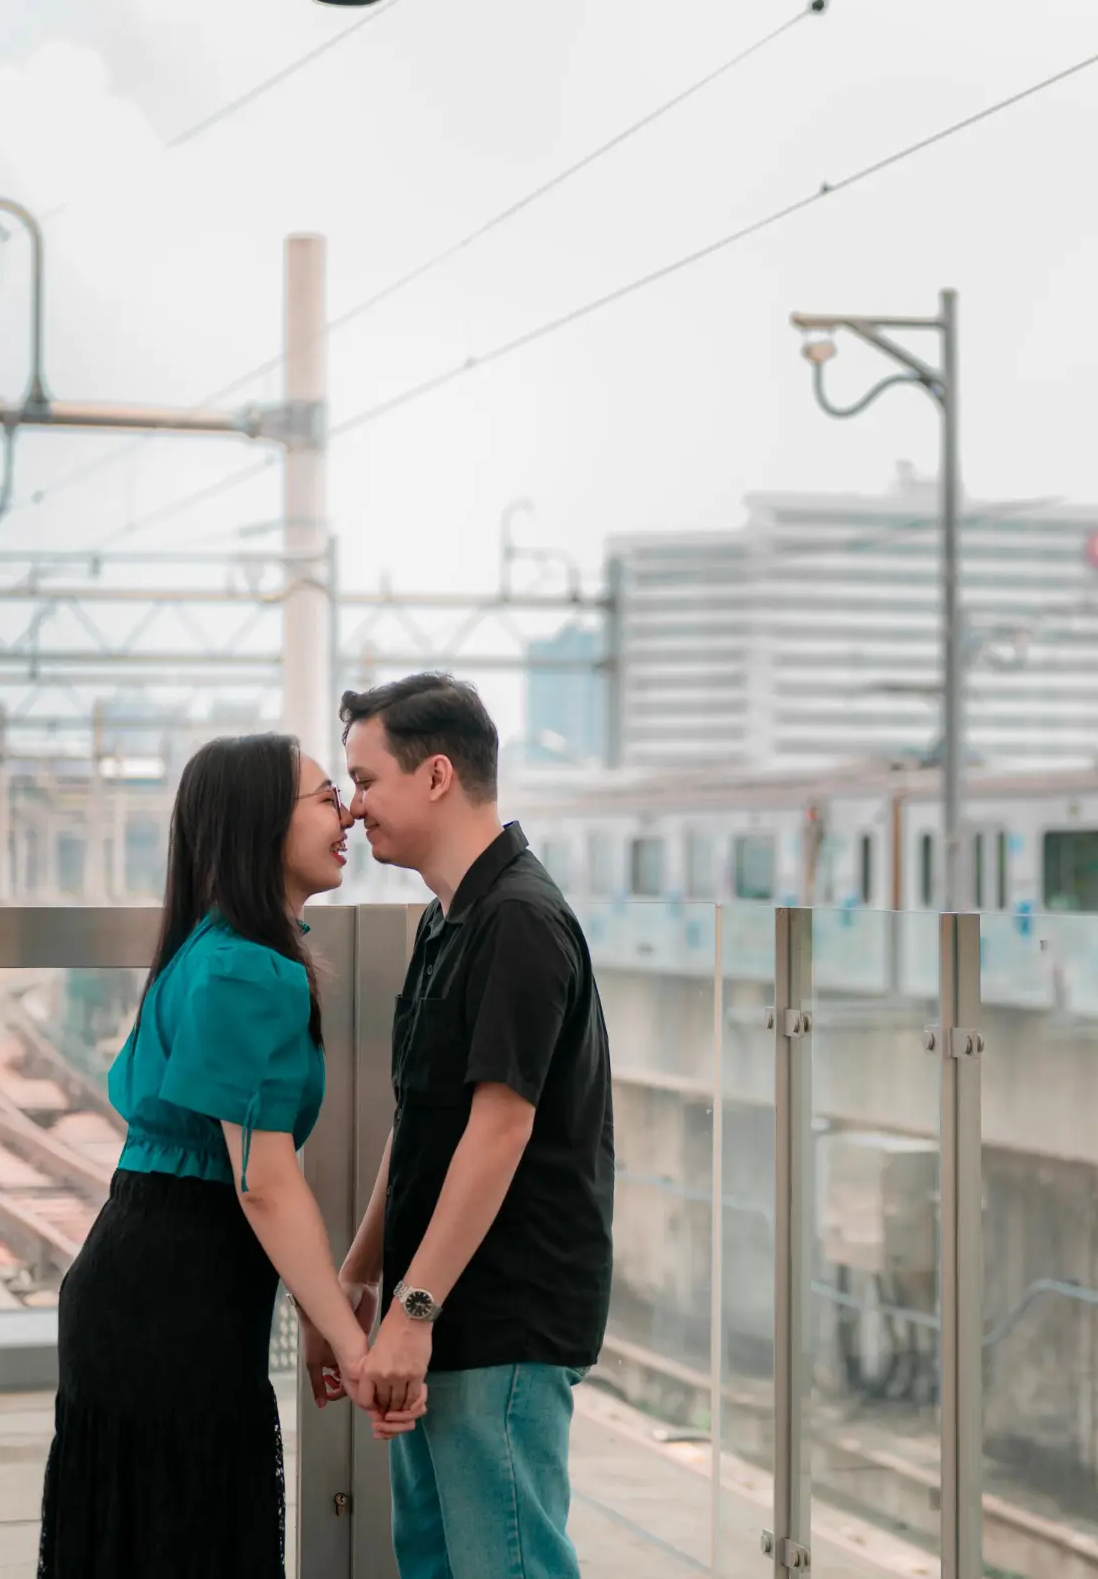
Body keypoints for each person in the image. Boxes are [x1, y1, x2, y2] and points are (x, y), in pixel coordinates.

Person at [38, 733, 423, 1579]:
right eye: (325, 799)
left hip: (151, 1286)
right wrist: (351, 1344)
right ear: (260, 824)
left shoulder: (209, 949)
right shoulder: (249, 970)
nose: (346, 817)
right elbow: (265, 1185)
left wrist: (321, 1317)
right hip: (176, 1304)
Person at [327, 673, 615, 1579]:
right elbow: (421, 1122)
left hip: (500, 1319)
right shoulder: (447, 920)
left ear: (437, 775)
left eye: (365, 781)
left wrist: (413, 1309)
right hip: (442, 1310)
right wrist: (362, 1275)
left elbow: (499, 1130)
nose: (353, 808)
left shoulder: (519, 920)